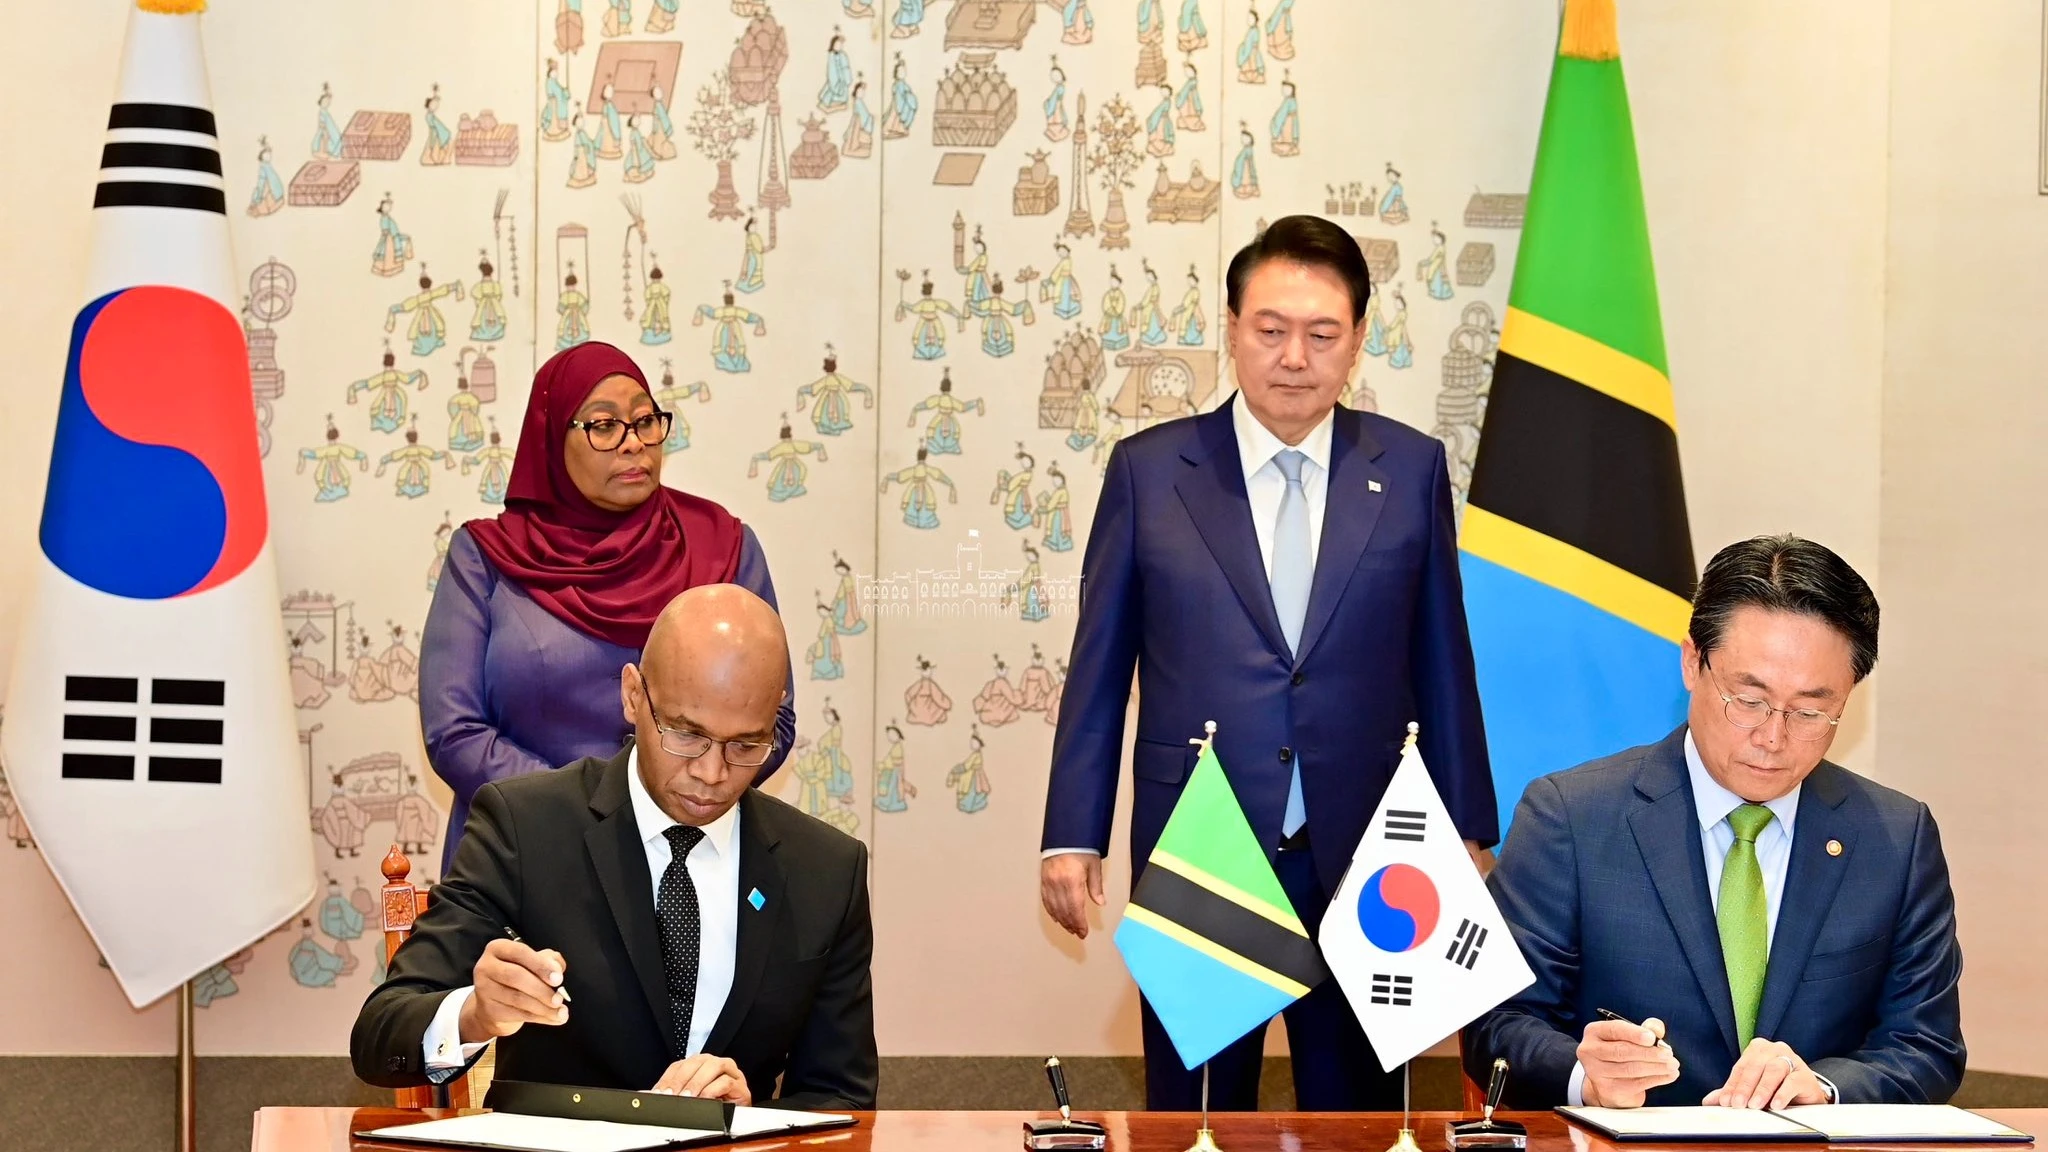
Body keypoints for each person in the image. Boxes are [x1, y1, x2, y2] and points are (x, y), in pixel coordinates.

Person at [1041, 215, 1496, 1112]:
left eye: (1323, 334)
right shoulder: (1149, 471)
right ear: (1233, 328)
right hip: (1201, 842)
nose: (1295, 356)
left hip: (1370, 854)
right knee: (1199, 1114)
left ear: (1358, 341)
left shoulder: (1407, 470)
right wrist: (1072, 832)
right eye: (1271, 330)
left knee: (1359, 1116)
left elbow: (1444, 658)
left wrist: (1468, 828)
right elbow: (1097, 673)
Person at [1467, 536, 1964, 1110]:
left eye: (1810, 711)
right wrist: (1587, 1077)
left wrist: (1827, 1088)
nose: (1773, 738)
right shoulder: (1572, 817)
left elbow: (1926, 1046)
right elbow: (1498, 1022)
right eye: (1748, 700)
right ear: (1691, 662)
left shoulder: (1896, 838)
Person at [354, 587, 877, 1108]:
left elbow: (842, 1099)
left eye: (745, 745)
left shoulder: (826, 871)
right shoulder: (526, 828)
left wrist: (749, 1121)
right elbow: (380, 1032)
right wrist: (475, 1014)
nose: (712, 773)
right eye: (686, 734)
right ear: (633, 696)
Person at [421, 342, 796, 876]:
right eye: (604, 426)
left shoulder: (723, 548)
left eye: (645, 421)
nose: (632, 444)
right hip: (524, 851)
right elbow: (454, 731)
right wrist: (585, 808)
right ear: (552, 437)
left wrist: (661, 803)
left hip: (685, 855)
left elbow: (774, 716)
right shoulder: (485, 558)